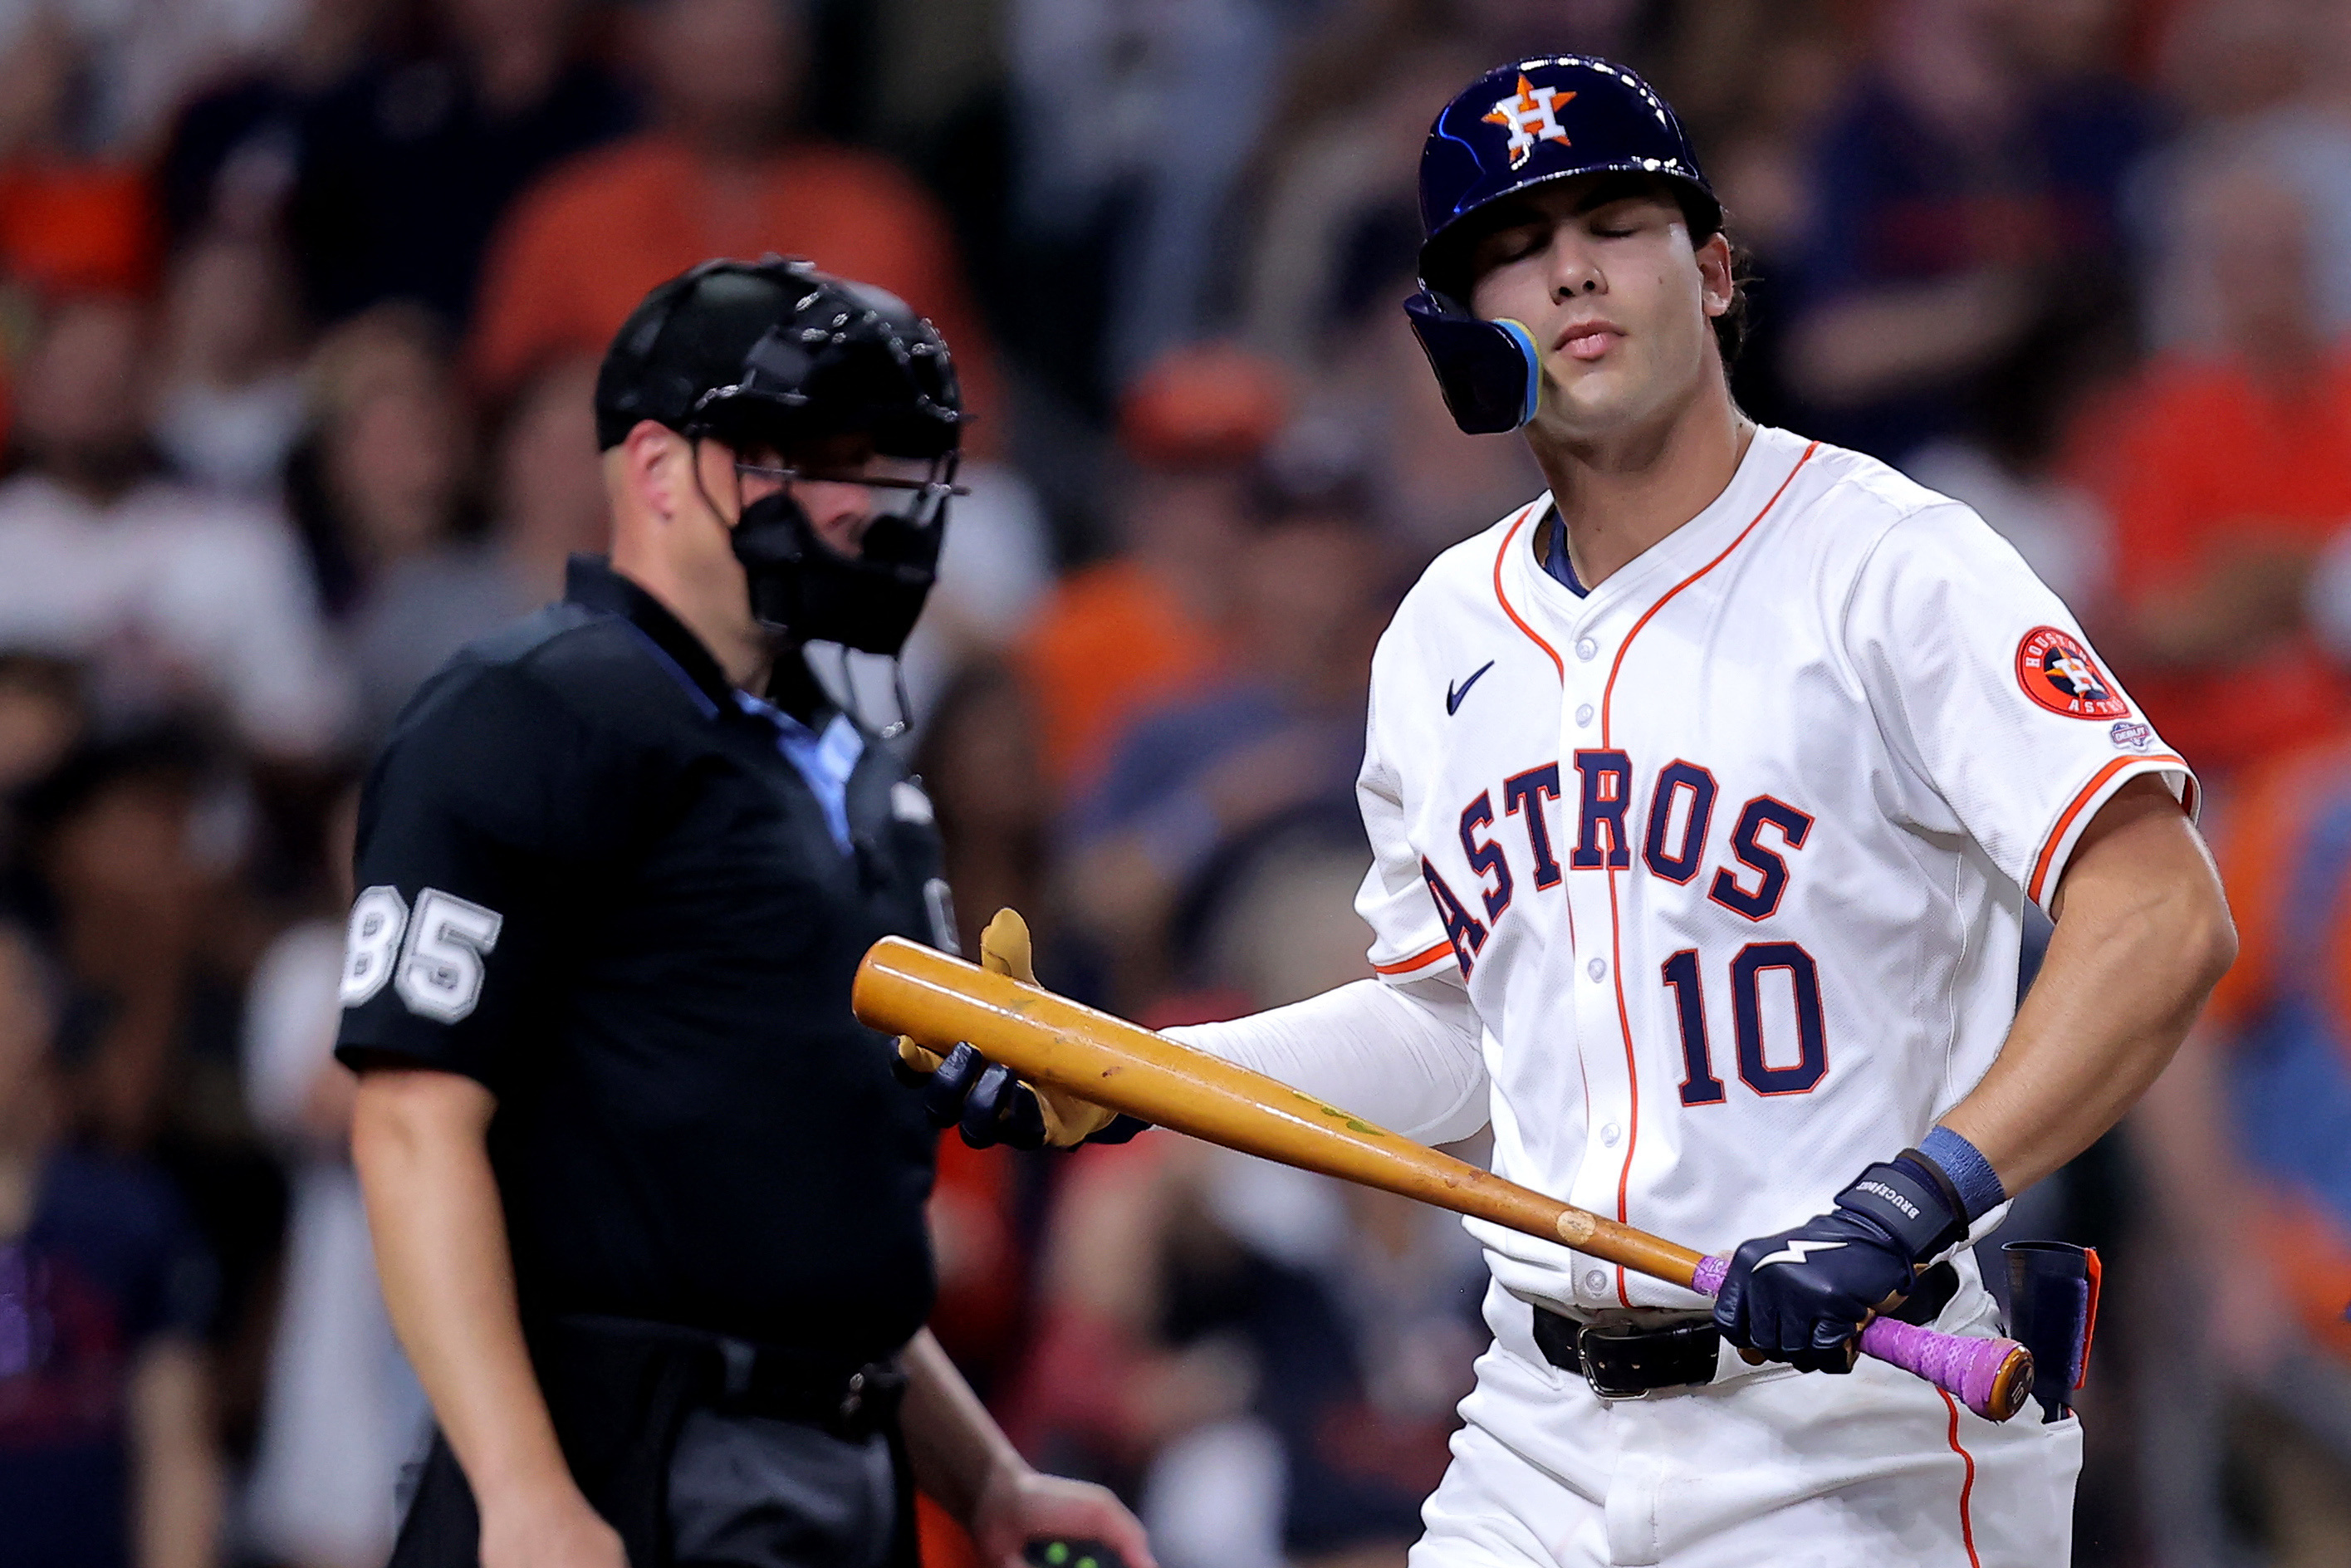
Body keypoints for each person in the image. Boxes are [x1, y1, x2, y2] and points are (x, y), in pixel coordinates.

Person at [915, 56, 2236, 1564]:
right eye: (1512, 247)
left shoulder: (1896, 566)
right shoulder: (1440, 631)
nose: (1569, 270)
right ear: (1458, 335)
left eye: (1615, 220)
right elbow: (1448, 1032)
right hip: (1534, 1432)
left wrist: (1919, 1197)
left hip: (1848, 1429)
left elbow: (2162, 907)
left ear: (1719, 270)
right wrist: (1128, 1070)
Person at [337, 256, 1153, 1568]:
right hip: (618, 1454)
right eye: (807, 453)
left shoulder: (854, 768)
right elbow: (412, 1118)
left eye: (881, 458)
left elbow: (799, 1216)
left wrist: (986, 1476)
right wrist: (521, 1489)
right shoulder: (524, 712)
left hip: (842, 1462)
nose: (857, 501)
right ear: (659, 470)